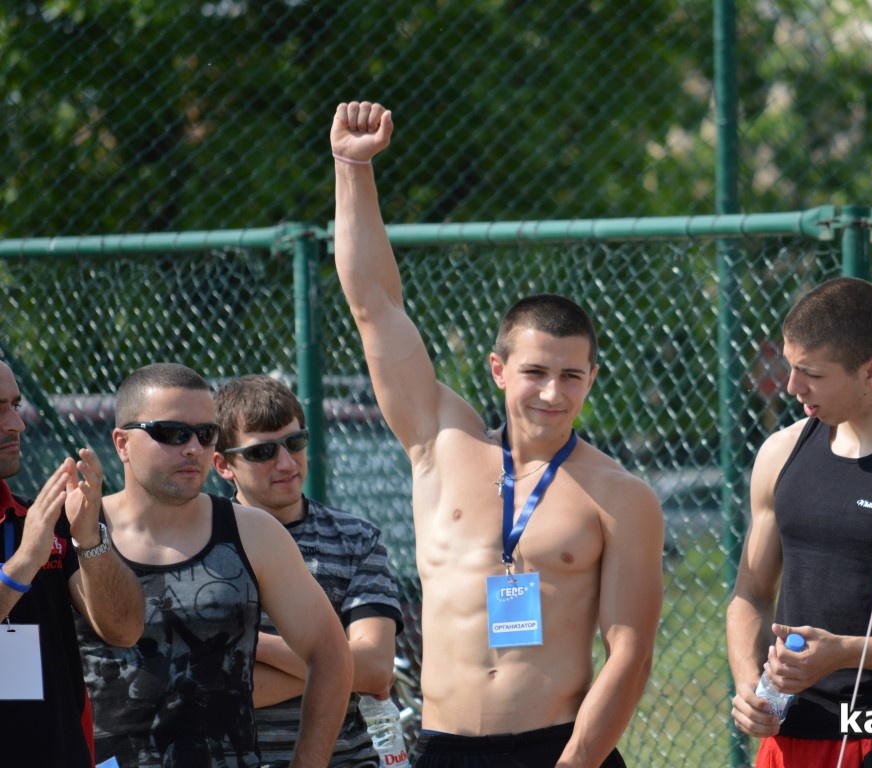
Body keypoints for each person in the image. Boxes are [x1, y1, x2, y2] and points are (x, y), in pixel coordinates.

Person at [330, 100, 664, 768]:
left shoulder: (619, 495)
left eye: (571, 376)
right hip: (446, 746)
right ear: (498, 369)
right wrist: (351, 168)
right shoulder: (440, 442)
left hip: (559, 748)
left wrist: (576, 762)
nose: (552, 393)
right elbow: (375, 307)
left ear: (591, 379)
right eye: (535, 372)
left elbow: (629, 653)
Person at [726, 277, 872, 767]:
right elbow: (750, 594)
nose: (792, 387)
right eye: (791, 367)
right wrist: (748, 683)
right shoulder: (781, 451)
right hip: (784, 741)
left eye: (811, 373)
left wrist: (848, 651)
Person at [73, 362, 353, 768]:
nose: (193, 448)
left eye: (206, 434)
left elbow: (330, 653)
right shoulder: (76, 529)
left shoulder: (253, 532)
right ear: (122, 443)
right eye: (172, 433)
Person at [211, 373, 404, 768]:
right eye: (262, 452)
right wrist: (334, 668)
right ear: (224, 464)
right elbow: (210, 688)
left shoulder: (356, 539)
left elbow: (375, 669)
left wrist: (253, 645)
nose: (286, 463)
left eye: (295, 442)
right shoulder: (200, 544)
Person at [0, 360, 144, 768]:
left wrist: (89, 539)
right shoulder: (34, 538)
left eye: (15, 405)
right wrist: (25, 561)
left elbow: (125, 630)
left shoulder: (39, 521)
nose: (17, 424)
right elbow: (27, 558)